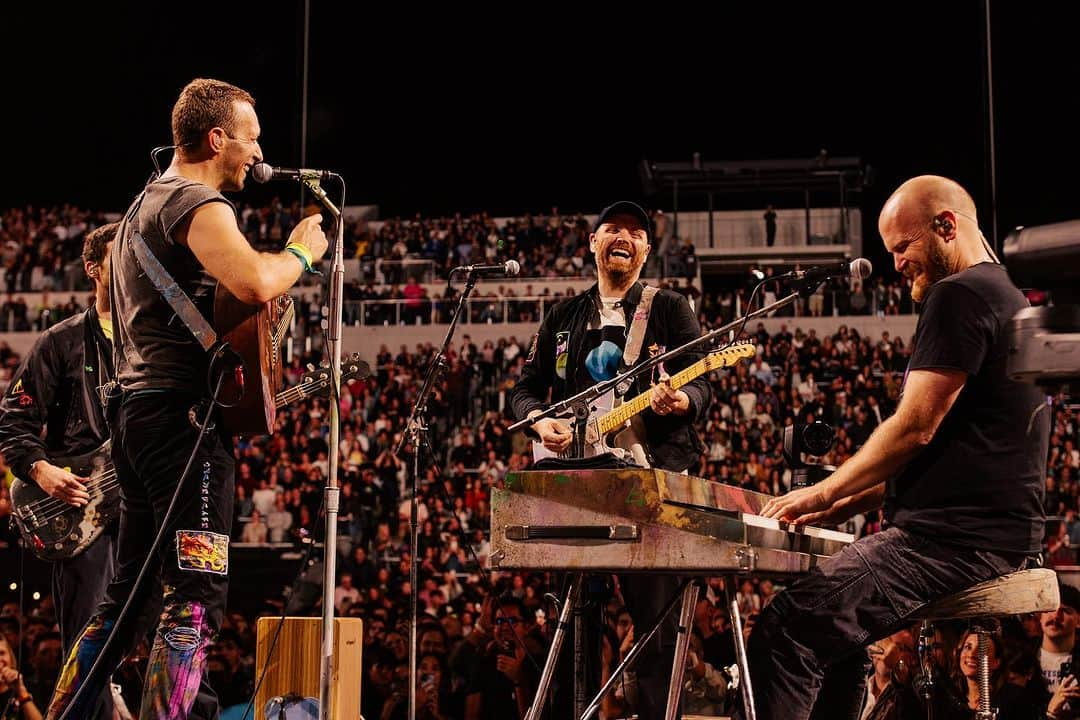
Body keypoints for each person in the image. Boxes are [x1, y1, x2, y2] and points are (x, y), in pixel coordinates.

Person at [45, 77, 328, 720]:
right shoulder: (196, 201)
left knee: (127, 601)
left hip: (140, 417)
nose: (260, 154)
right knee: (195, 594)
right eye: (252, 139)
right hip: (184, 426)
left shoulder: (145, 202)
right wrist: (302, 253)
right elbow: (256, 282)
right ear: (217, 138)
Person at [740, 175, 1051, 720]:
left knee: (785, 629)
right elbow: (954, 451)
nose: (896, 264)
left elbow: (914, 429)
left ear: (946, 226)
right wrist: (844, 501)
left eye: (902, 246)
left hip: (953, 543)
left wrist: (822, 491)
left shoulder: (958, 294)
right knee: (836, 639)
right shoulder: (1006, 295)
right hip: (991, 535)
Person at [510, 200, 711, 717]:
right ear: (592, 243)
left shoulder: (669, 307)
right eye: (612, 230)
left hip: (650, 479)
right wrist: (538, 420)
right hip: (578, 483)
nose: (624, 237)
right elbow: (526, 389)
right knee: (572, 621)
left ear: (646, 248)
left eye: (636, 232)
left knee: (655, 624)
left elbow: (704, 382)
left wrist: (682, 400)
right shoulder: (562, 317)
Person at [0, 222, 118, 719]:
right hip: (81, 513)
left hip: (150, 509)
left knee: (169, 636)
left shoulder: (161, 342)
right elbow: (14, 422)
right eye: (122, 258)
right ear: (93, 270)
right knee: (88, 648)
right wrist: (43, 472)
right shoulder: (62, 342)